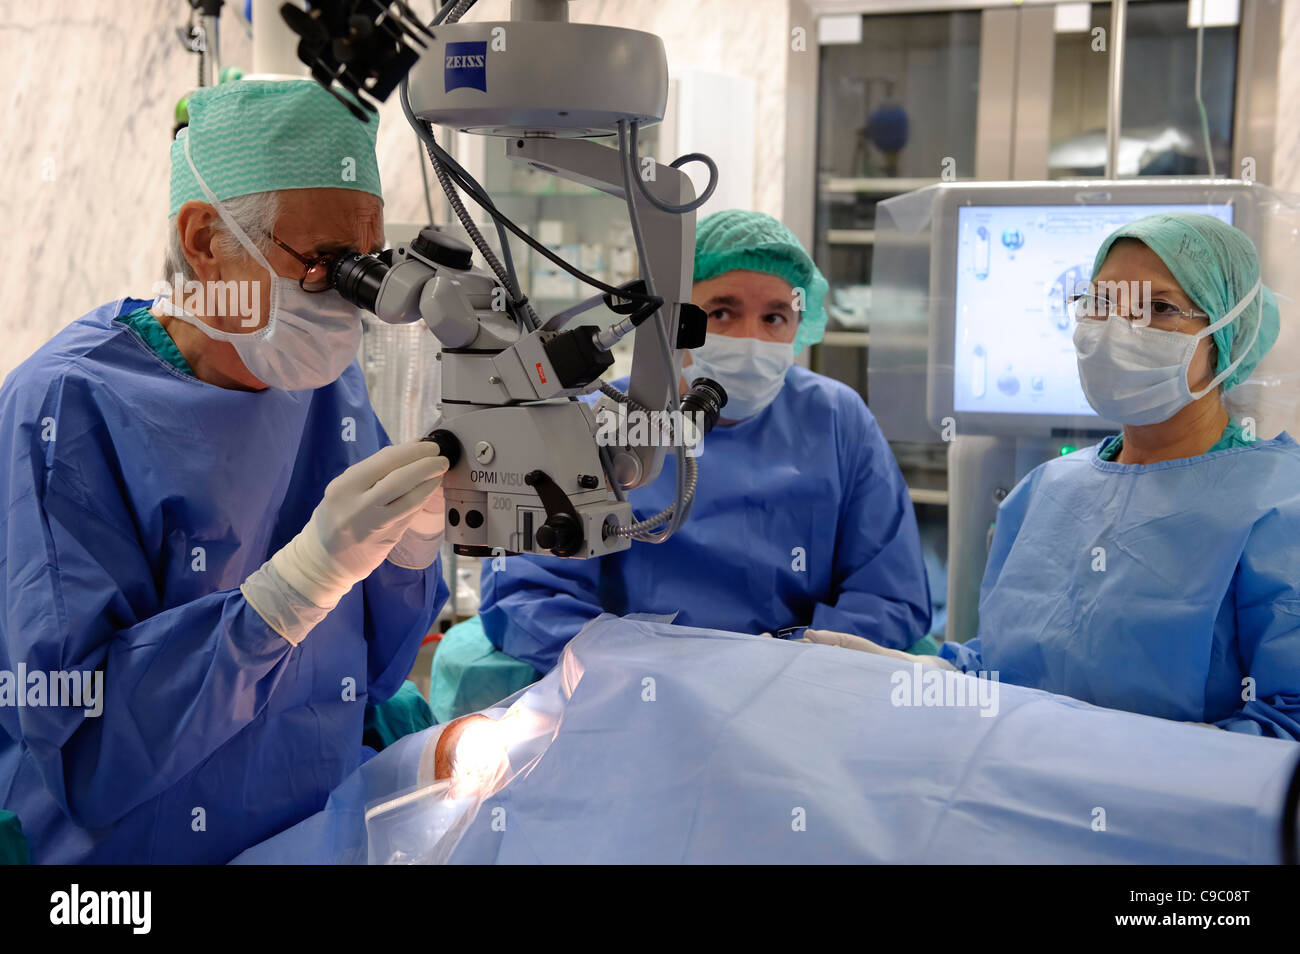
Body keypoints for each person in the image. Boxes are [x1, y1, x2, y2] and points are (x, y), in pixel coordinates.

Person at [0, 80, 451, 863]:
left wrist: (410, 549)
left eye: (366, 266)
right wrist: (294, 586)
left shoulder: (324, 384)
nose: (350, 301)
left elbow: (369, 670)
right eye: (323, 265)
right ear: (207, 241)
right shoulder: (68, 408)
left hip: (310, 836)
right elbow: (84, 750)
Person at [802, 212, 1300, 741]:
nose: (1117, 329)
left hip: (1180, 820)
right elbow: (1005, 668)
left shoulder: (1277, 506)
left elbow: (1285, 729)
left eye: (1158, 308)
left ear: (1230, 336)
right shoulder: (1045, 492)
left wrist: (1126, 775)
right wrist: (937, 680)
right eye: (1100, 303)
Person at [477, 210, 931, 673]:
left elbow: (888, 595)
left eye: (775, 316)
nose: (751, 339)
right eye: (721, 312)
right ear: (669, 319)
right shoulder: (596, 419)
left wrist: (789, 667)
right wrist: (649, 674)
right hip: (634, 699)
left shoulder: (837, 419)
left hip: (796, 694)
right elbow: (529, 595)